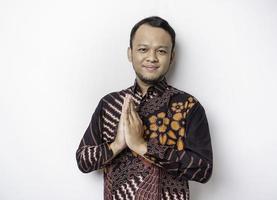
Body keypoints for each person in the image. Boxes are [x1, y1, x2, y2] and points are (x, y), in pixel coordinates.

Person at [76, 16, 213, 200]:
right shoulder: (110, 105)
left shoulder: (188, 106)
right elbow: (83, 161)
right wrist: (117, 145)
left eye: (161, 51)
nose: (152, 58)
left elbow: (203, 170)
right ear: (130, 53)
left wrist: (143, 146)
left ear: (171, 57)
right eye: (143, 49)